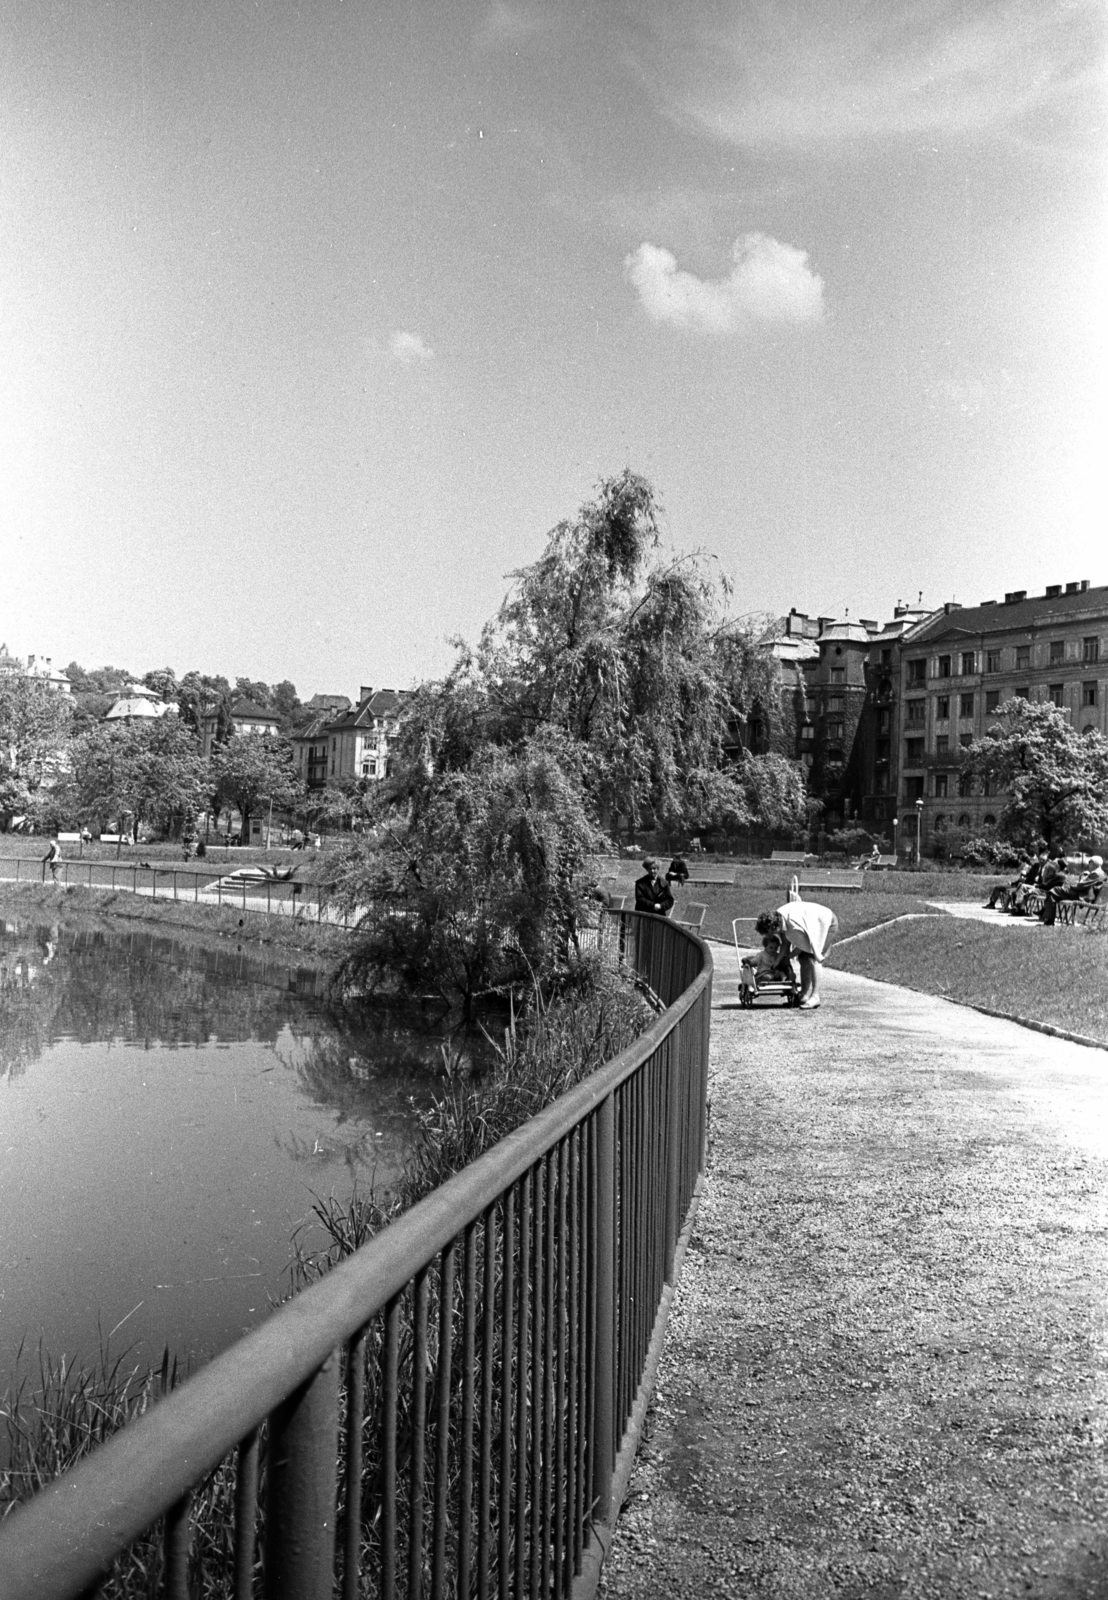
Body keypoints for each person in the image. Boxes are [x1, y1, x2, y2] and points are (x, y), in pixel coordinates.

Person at [755, 899, 838, 1009]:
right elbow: (785, 944)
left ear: (774, 927)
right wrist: (777, 962)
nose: (773, 934)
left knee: (812, 958)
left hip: (827, 922)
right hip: (811, 920)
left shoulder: (793, 926)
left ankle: (815, 997)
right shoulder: (779, 918)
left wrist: (789, 957)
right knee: (803, 958)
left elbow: (804, 945)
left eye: (772, 932)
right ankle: (803, 995)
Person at [1040, 855, 1106, 926]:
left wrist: (1071, 886)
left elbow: (1082, 885)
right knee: (1052, 895)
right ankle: (1049, 920)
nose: (1088, 865)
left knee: (1055, 889)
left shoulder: (1096, 873)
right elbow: (1083, 885)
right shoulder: (1102, 873)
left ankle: (1046, 916)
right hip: (1082, 893)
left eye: (1089, 863)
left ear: (1092, 863)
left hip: (1082, 895)